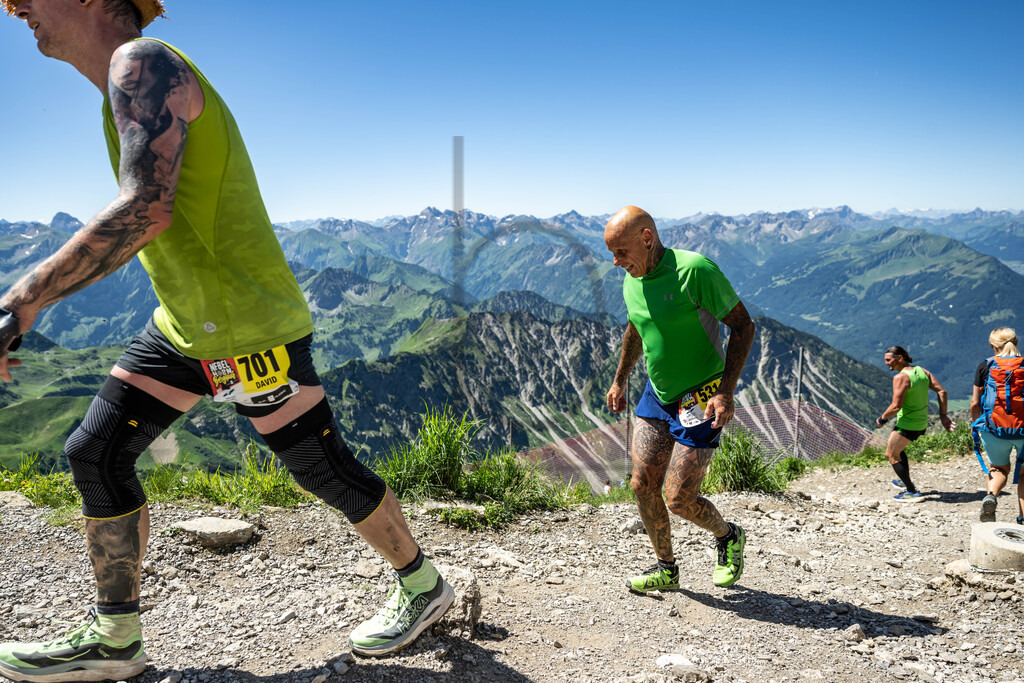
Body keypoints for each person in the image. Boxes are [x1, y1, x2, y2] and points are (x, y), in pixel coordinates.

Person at [0, 1, 452, 679]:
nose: (15, 7)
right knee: (95, 449)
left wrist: (22, 298)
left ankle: (422, 586)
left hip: (244, 329)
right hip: (186, 324)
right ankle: (117, 637)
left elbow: (146, 208)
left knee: (321, 469)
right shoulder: (122, 87)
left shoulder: (141, 65)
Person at [604, 206, 755, 593]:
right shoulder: (631, 280)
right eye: (611, 253)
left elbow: (743, 326)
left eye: (620, 252)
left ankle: (727, 536)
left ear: (647, 238)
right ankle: (666, 569)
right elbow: (637, 329)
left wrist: (725, 390)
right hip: (658, 394)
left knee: (679, 499)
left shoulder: (695, 270)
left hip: (702, 396)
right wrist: (620, 380)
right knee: (641, 486)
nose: (616, 262)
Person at [875, 345, 954, 502]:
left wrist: (882, 419)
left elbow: (895, 407)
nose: (885, 363)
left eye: (888, 360)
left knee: (891, 454)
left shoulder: (900, 378)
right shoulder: (922, 371)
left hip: (908, 424)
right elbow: (942, 391)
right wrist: (943, 415)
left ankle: (911, 492)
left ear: (900, 358)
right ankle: (905, 481)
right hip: (920, 422)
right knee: (898, 450)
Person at [970, 327, 1024, 523]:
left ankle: (991, 495)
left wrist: (977, 423)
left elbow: (975, 403)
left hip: (993, 428)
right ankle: (1023, 518)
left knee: (998, 468)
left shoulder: (985, 366)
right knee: (1023, 473)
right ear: (1015, 342)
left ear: (993, 346)